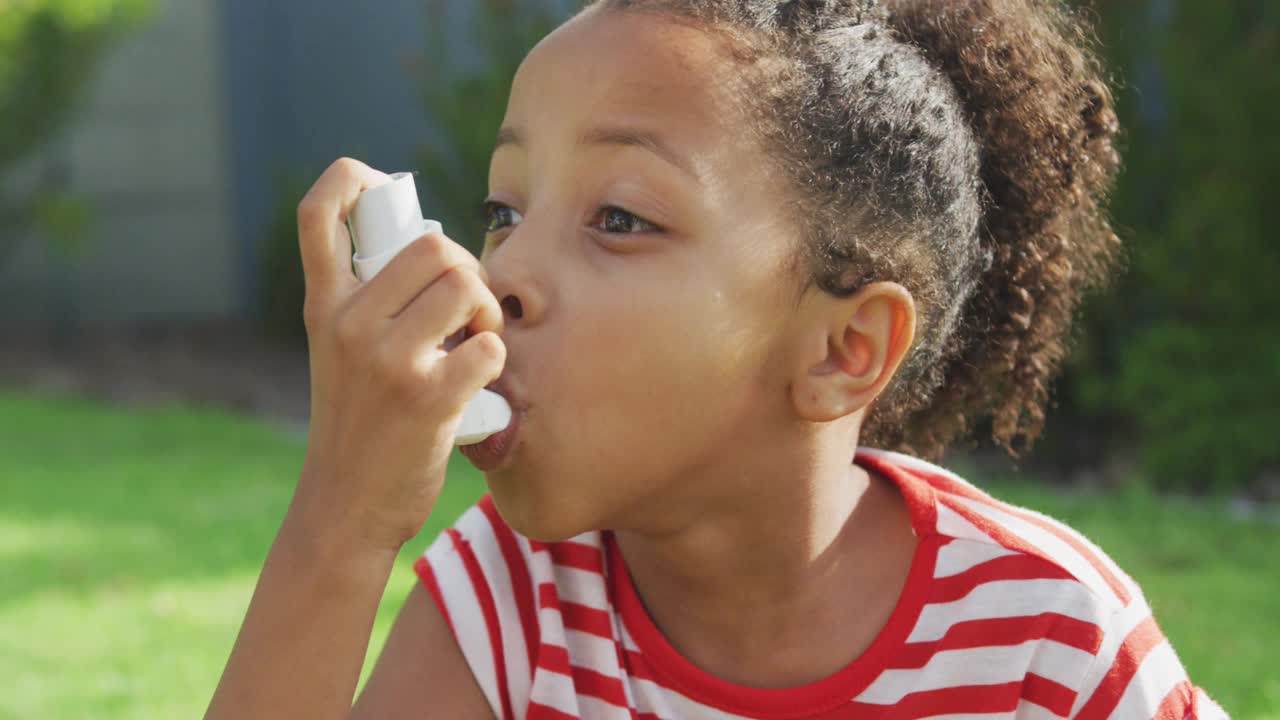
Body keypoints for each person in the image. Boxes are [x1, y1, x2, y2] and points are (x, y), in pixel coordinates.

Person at [206, 1, 1229, 718]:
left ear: (841, 348)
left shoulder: (1044, 641)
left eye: (617, 216)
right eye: (503, 211)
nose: (503, 271)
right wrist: (344, 520)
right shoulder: (510, 609)